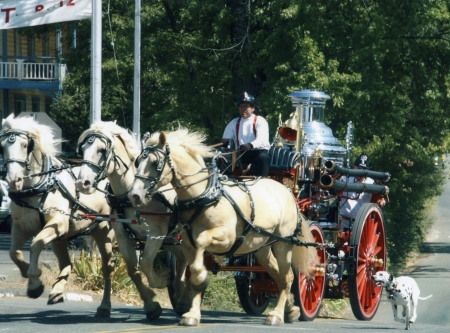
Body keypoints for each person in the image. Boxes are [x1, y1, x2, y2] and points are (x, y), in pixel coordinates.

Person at [222, 92, 271, 177]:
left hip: (257, 153)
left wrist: (250, 145)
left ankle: (262, 181)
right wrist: (225, 142)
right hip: (240, 154)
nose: (243, 109)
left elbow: (262, 140)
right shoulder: (234, 123)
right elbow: (227, 140)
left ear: (253, 108)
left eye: (246, 106)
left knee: (263, 157)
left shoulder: (260, 120)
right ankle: (226, 180)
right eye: (241, 106)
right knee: (222, 157)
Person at [338, 153, 385, 230]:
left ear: (367, 170)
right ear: (354, 167)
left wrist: (381, 201)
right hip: (342, 221)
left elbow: (377, 200)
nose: (360, 171)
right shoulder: (344, 179)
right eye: (358, 168)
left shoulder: (372, 183)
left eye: (363, 169)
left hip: (361, 224)